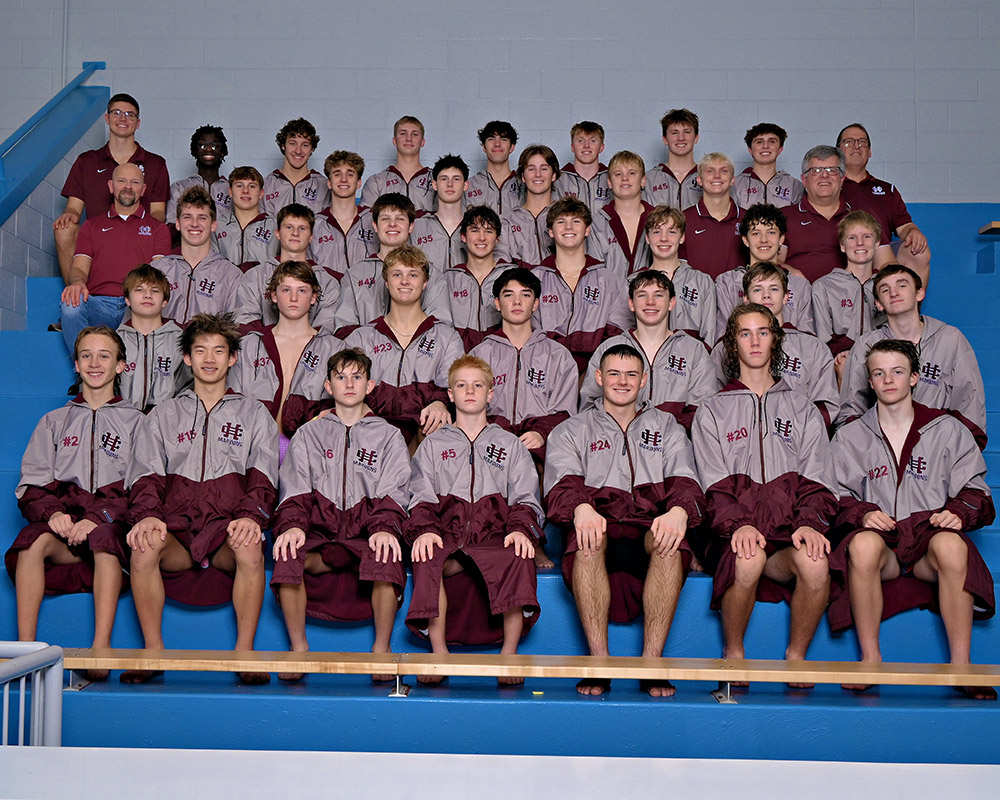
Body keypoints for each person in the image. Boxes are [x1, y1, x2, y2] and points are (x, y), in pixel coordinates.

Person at [828, 340, 995, 699]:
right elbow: (833, 495)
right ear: (870, 382)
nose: (889, 380)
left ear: (915, 377)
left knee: (952, 545)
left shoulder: (946, 428)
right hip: (884, 545)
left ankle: (961, 666)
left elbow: (976, 489)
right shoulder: (850, 435)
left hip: (926, 541)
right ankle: (871, 659)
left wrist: (957, 512)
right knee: (862, 543)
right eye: (879, 373)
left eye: (898, 371)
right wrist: (863, 512)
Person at [123, 313, 278, 685]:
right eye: (200, 351)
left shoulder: (254, 413)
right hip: (176, 528)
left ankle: (244, 654)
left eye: (219, 351)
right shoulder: (163, 414)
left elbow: (264, 477)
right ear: (188, 359)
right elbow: (145, 473)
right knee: (144, 547)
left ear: (232, 358)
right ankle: (152, 653)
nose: (210, 359)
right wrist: (146, 516)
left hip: (225, 527)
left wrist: (250, 517)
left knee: (249, 545)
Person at [546, 344, 705, 697]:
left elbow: (686, 479)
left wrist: (679, 510)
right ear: (599, 377)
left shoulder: (667, 426)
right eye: (614, 374)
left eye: (631, 374)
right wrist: (580, 508)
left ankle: (652, 663)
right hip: (599, 525)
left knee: (669, 541)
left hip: (647, 525)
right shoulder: (572, 429)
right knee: (586, 539)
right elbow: (561, 484)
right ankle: (599, 662)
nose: (622, 381)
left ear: (644, 380)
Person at [692, 304, 838, 682]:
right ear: (732, 344)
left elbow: (819, 476)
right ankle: (734, 649)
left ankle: (796, 655)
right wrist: (738, 523)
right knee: (748, 557)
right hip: (731, 533)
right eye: (744, 333)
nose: (754, 340)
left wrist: (809, 524)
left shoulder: (803, 407)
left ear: (775, 339)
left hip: (787, 530)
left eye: (762, 331)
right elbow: (710, 481)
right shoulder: (712, 409)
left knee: (816, 561)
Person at [6, 327, 144, 682]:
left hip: (111, 527)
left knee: (105, 539)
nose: (94, 363)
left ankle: (100, 650)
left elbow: (143, 486)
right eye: (86, 355)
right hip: (65, 525)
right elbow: (32, 481)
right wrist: (53, 514)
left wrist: (99, 517)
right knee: (29, 543)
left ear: (121, 366)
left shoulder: (138, 423)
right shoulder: (53, 421)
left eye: (104, 356)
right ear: (76, 365)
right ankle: (26, 651)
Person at [270, 348, 410, 682]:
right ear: (328, 386)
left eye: (357, 377)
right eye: (341, 377)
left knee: (387, 552)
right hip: (321, 533)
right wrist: (292, 525)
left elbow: (396, 489)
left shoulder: (389, 435)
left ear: (370, 384)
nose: (349, 384)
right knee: (288, 553)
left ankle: (381, 650)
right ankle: (299, 649)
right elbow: (295, 486)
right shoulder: (308, 434)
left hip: (365, 534)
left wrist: (385, 527)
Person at [406, 355, 544, 685]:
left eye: (478, 385)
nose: (470, 391)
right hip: (447, 533)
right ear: (450, 395)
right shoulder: (432, 446)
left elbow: (527, 496)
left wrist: (520, 528)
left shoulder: (509, 444)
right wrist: (425, 529)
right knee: (428, 554)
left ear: (490, 394)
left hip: (495, 533)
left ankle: (509, 654)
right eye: (461, 385)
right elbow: (420, 494)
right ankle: (439, 653)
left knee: (518, 552)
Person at [836, 265, 986, 449]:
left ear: (919, 293)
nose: (893, 293)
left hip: (938, 445)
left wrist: (958, 450)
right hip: (883, 446)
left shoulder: (950, 338)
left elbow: (969, 399)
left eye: (902, 285)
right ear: (878, 304)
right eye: (885, 289)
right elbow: (852, 404)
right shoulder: (866, 343)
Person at [344, 245, 463, 445]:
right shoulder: (361, 338)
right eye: (397, 274)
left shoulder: (446, 337)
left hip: (424, 431)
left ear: (425, 283)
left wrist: (439, 403)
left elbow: (453, 383)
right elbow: (346, 385)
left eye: (413, 275)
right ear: (386, 282)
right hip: (372, 432)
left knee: (437, 429)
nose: (405, 281)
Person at [580, 271, 717, 432]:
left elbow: (702, 411)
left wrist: (663, 435)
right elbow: (590, 407)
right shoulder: (609, 348)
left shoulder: (693, 350)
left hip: (675, 448)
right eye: (642, 295)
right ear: (631, 303)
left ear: (671, 302)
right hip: (619, 448)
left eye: (658, 295)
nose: (650, 302)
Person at [54, 93, 169, 284]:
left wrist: (134, 228)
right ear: (107, 118)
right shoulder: (87, 161)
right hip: (98, 236)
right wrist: (69, 215)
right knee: (64, 228)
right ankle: (75, 296)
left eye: (130, 115)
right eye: (117, 113)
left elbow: (158, 214)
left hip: (139, 234)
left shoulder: (155, 163)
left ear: (137, 123)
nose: (123, 118)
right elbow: (73, 208)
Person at [59, 163, 171, 353]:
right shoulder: (91, 226)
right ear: (111, 186)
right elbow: (79, 268)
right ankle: (82, 367)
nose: (128, 187)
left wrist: (137, 300)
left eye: (135, 182)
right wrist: (77, 282)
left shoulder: (157, 229)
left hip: (136, 306)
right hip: (100, 305)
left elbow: (159, 277)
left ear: (143, 190)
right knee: (71, 303)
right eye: (122, 181)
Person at [712, 263, 838, 430]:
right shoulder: (725, 347)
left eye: (774, 289)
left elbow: (826, 406)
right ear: (746, 299)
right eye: (757, 290)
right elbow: (713, 402)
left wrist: (796, 432)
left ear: (786, 296)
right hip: (742, 439)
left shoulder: (813, 347)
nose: (766, 296)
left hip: (796, 438)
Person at [230, 261, 344, 442]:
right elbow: (231, 404)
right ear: (273, 296)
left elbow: (343, 406)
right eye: (286, 290)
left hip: (310, 448)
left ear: (314, 297)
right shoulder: (249, 345)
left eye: (302, 290)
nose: (293, 298)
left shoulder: (334, 348)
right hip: (252, 446)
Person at [533, 197, 632, 371]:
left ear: (587, 230)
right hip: (545, 372)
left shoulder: (611, 282)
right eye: (561, 222)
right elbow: (529, 336)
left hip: (596, 376)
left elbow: (617, 338)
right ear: (551, 232)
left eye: (576, 221)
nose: (569, 227)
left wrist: (587, 375)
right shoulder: (534, 280)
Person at [334, 194, 451, 333]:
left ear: (411, 226)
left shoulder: (432, 274)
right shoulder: (354, 275)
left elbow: (441, 329)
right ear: (375, 225)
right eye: (385, 219)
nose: (392, 224)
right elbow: (344, 329)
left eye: (400, 219)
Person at [838, 123, 930, 285]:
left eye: (862, 142)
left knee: (919, 250)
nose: (856, 146)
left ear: (870, 152)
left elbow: (905, 227)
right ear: (838, 152)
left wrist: (913, 231)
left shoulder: (887, 190)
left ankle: (912, 307)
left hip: (881, 255)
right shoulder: (829, 188)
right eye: (849, 142)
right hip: (845, 253)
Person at [783, 145, 888, 282]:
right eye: (816, 170)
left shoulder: (862, 218)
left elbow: (885, 262)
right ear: (804, 180)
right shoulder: (784, 217)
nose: (825, 175)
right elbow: (773, 262)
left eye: (832, 170)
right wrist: (792, 274)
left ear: (842, 179)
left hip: (851, 296)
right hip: (798, 296)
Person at [715, 203, 814, 340]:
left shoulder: (799, 285)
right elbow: (724, 336)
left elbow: (808, 339)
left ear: (781, 239)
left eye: (771, 232)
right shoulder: (727, 283)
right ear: (745, 240)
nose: (764, 240)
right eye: (756, 233)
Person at [811, 210, 886, 387]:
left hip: (881, 354)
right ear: (843, 246)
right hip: (839, 355)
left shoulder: (885, 285)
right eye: (852, 238)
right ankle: (847, 415)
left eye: (867, 236)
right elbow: (823, 334)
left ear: (877, 244)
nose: (860, 243)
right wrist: (843, 350)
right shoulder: (824, 286)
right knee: (846, 365)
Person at [234, 204, 340, 328]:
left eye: (302, 228)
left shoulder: (328, 282)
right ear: (277, 233)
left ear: (311, 236)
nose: (295, 233)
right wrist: (269, 343)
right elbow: (246, 320)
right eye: (289, 227)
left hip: (312, 346)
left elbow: (326, 328)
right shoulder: (255, 276)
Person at [157, 187, 243, 325]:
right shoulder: (158, 270)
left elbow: (234, 329)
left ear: (214, 225)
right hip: (164, 346)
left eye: (202, 218)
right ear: (178, 224)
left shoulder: (231, 275)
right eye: (187, 217)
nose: (195, 224)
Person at [116, 265, 190, 412]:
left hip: (168, 418)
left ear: (165, 301)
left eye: (155, 291)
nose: (147, 295)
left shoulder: (180, 338)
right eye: (139, 289)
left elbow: (189, 384)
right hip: (123, 418)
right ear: (127, 300)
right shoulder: (114, 340)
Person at [639, 205, 716, 344]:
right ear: (647, 238)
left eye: (672, 232)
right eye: (657, 232)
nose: (664, 238)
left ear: (682, 237)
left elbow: (709, 338)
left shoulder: (702, 282)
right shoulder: (633, 282)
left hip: (691, 363)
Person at [447, 206, 515, 349]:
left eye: (488, 231)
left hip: (501, 355)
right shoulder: (449, 279)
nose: (482, 237)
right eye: (475, 230)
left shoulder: (513, 276)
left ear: (497, 238)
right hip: (459, 358)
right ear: (463, 236)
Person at [586, 150, 653, 279]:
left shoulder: (658, 220)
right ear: (610, 183)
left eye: (632, 173)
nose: (625, 178)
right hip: (609, 297)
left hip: (650, 298)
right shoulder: (596, 223)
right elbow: (595, 275)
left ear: (643, 180)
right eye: (618, 174)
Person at [678, 153, 746, 280]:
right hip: (696, 296)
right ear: (699, 180)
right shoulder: (683, 219)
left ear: (732, 180)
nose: (717, 176)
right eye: (710, 171)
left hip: (738, 296)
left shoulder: (747, 219)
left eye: (724, 171)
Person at [310, 151, 376, 275]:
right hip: (326, 293)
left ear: (359, 182)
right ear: (329, 182)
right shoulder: (314, 224)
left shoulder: (373, 221)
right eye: (337, 174)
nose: (344, 179)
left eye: (350, 174)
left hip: (366, 293)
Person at [496, 145, 560, 267]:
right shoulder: (506, 221)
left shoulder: (566, 217)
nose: (538, 174)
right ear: (523, 177)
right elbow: (502, 266)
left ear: (554, 175)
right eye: (531, 169)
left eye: (544, 168)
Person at [361, 116, 434, 212]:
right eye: (403, 134)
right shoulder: (376, 182)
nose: (409, 138)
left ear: (422, 142)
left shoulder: (435, 179)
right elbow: (366, 220)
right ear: (395, 141)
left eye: (415, 134)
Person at [410, 154, 469, 273]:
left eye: (456, 179)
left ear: (465, 185)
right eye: (444, 179)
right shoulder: (417, 227)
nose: (450, 184)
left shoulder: (475, 227)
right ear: (435, 185)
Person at [165, 125, 231, 228]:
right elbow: (171, 224)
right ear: (194, 151)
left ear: (222, 152)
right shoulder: (179, 187)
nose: (209, 149)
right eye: (202, 145)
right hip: (189, 243)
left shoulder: (232, 189)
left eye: (214, 146)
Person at [215, 167, 279, 270]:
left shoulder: (275, 225)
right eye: (239, 186)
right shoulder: (218, 226)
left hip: (264, 285)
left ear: (261, 193)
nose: (245, 191)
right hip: (227, 284)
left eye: (252, 186)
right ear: (230, 192)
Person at [263, 118, 329, 215]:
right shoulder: (266, 185)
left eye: (305, 145)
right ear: (283, 145)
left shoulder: (323, 186)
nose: (298, 151)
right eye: (292, 144)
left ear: (312, 149)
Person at [733, 123, 804, 209]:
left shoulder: (794, 186)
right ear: (750, 150)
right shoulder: (735, 185)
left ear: (780, 150)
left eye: (772, 141)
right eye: (759, 142)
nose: (765, 146)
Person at [643, 108, 702, 210]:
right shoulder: (649, 179)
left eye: (687, 132)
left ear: (696, 137)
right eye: (674, 133)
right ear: (665, 139)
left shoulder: (708, 177)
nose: (681, 138)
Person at [466, 120, 524, 215]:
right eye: (491, 139)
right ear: (484, 147)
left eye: (503, 139)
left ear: (512, 147)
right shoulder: (469, 185)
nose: (497, 144)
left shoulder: (524, 185)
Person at [555, 121, 611, 214]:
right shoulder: (558, 180)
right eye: (580, 140)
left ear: (601, 147)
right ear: (572, 147)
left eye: (592, 141)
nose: (586, 146)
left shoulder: (612, 179)